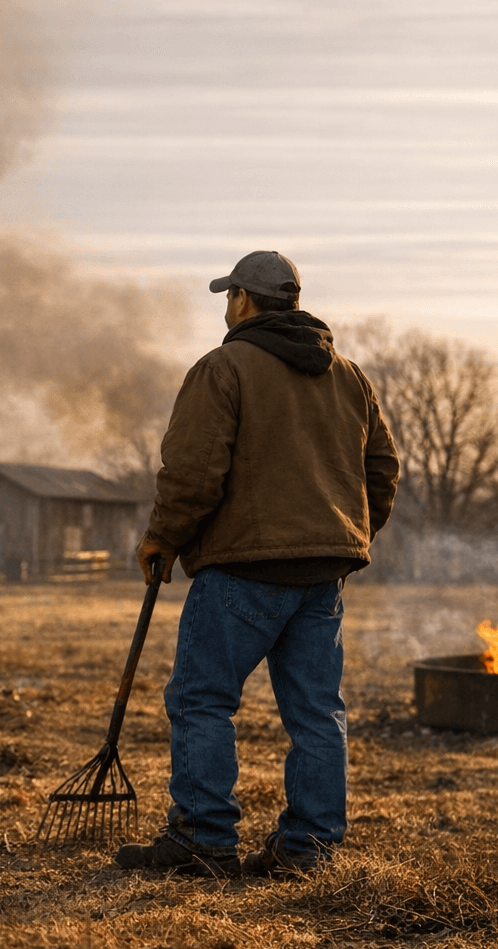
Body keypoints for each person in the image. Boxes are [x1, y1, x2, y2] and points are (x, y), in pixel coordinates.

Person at [116, 250, 400, 879]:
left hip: (244, 568)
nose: (226, 307)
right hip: (321, 573)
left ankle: (203, 839)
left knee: (201, 700)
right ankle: (309, 850)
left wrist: (162, 537)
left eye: (229, 296)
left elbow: (193, 471)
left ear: (243, 300)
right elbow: (382, 468)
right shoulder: (349, 377)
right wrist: (345, 535)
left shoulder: (223, 367)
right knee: (317, 713)